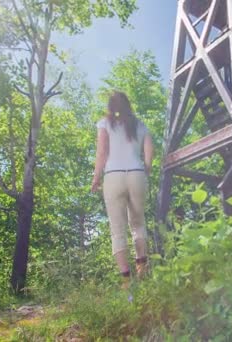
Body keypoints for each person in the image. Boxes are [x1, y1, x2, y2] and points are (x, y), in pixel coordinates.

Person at [91, 91, 153, 288]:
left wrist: (96, 178)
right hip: (136, 174)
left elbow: (101, 153)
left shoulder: (104, 124)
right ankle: (142, 270)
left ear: (110, 106)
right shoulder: (139, 125)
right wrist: (147, 169)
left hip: (114, 176)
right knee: (138, 223)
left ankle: (126, 281)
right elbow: (149, 152)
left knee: (117, 229)